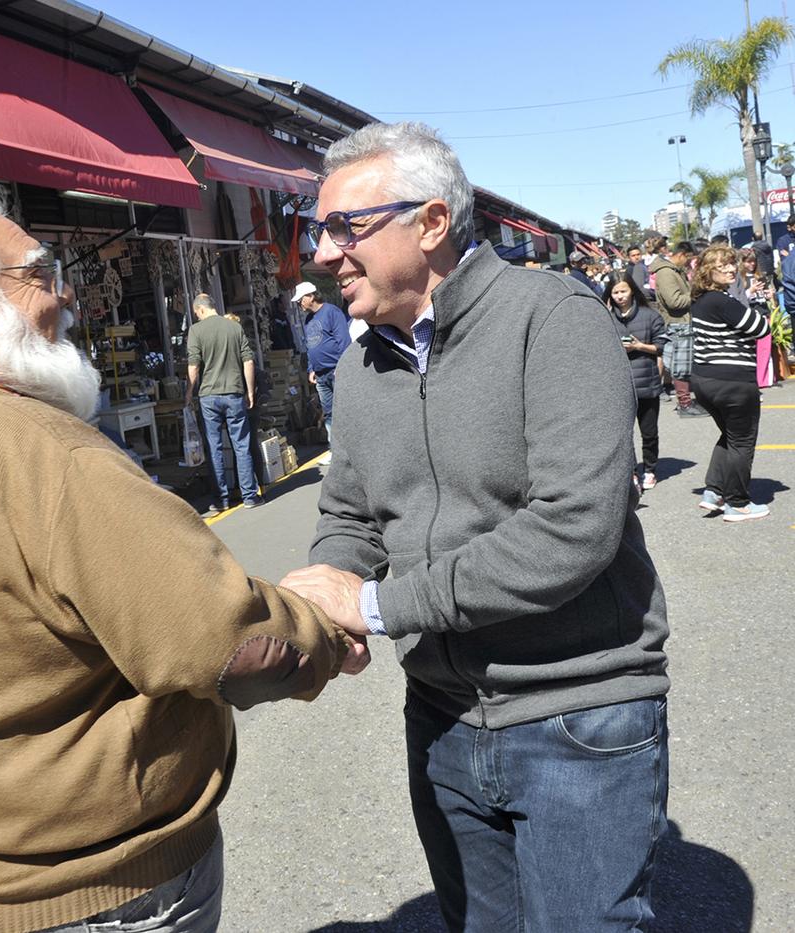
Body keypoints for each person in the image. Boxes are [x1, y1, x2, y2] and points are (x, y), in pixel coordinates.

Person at [0, 190, 365, 933]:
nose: (65, 294)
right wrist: (323, 630)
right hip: (73, 889)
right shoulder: (42, 453)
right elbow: (228, 641)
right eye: (40, 274)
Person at [277, 122, 670, 932]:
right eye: (317, 229)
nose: (321, 252)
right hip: (444, 718)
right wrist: (326, 595)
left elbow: (573, 530)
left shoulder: (550, 316)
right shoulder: (358, 366)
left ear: (430, 224)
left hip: (579, 715)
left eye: (345, 226)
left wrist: (379, 607)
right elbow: (351, 514)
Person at [691, 246, 772, 521]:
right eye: (722, 265)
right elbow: (762, 328)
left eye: (731, 264)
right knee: (742, 442)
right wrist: (762, 307)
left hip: (704, 380)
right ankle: (737, 503)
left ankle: (714, 492)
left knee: (730, 436)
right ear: (707, 271)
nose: (730, 269)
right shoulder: (723, 302)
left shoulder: (701, 300)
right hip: (733, 382)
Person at [185, 293, 261, 511]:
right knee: (241, 445)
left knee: (214, 447)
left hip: (208, 396)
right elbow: (248, 360)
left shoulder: (196, 331)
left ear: (200, 309)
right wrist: (249, 391)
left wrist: (189, 392)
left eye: (196, 313)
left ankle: (222, 500)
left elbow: (193, 366)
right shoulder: (234, 327)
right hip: (234, 393)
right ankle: (248, 496)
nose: (197, 317)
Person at [604, 272, 668, 490]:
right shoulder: (605, 317)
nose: (620, 296)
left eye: (623, 291)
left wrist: (639, 347)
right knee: (624, 435)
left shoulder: (650, 316)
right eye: (615, 292)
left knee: (649, 432)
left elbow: (661, 345)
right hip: (619, 386)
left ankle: (650, 470)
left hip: (647, 383)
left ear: (632, 291)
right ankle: (631, 472)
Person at [293, 281, 351, 447]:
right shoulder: (309, 319)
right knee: (329, 412)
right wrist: (311, 368)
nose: (299, 303)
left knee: (344, 410)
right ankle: (335, 450)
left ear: (311, 296)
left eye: (301, 299)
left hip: (335, 370)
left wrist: (342, 366)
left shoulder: (332, 312)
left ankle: (350, 449)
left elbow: (343, 341)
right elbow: (310, 344)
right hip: (320, 374)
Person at [651, 240, 703, 416]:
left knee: (685, 365)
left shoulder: (674, 271)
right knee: (680, 366)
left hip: (682, 322)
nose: (689, 263)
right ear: (681, 255)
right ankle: (685, 404)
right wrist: (695, 295)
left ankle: (686, 402)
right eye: (689, 259)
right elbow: (674, 302)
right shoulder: (666, 273)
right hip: (677, 323)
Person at [733, 249, 776, 388]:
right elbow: (738, 298)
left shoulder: (760, 275)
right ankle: (755, 378)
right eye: (747, 261)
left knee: (764, 348)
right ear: (742, 262)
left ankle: (764, 379)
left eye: (753, 261)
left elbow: (766, 295)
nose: (751, 264)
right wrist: (750, 292)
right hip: (749, 315)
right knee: (751, 349)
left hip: (763, 313)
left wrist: (769, 295)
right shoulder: (739, 278)